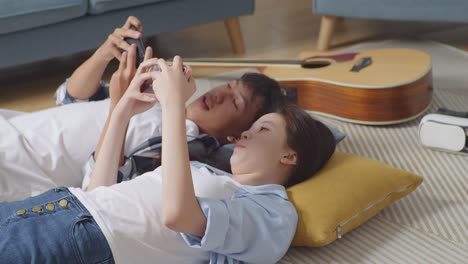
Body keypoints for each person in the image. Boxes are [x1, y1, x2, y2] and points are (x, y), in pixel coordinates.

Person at [0, 56, 336, 263]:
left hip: (81, 241)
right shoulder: (207, 172)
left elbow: (178, 215)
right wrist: (123, 112)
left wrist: (175, 104)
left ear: (289, 155)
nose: (245, 135)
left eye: (262, 128)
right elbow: (97, 192)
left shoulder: (274, 213)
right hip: (59, 206)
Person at [0, 16, 283, 201]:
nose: (220, 93)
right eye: (229, 86)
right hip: (12, 126)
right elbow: (70, 98)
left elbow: (100, 190)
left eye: (236, 102)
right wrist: (104, 53)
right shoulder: (156, 97)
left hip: (18, 168)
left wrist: (118, 107)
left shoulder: (182, 146)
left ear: (236, 134)